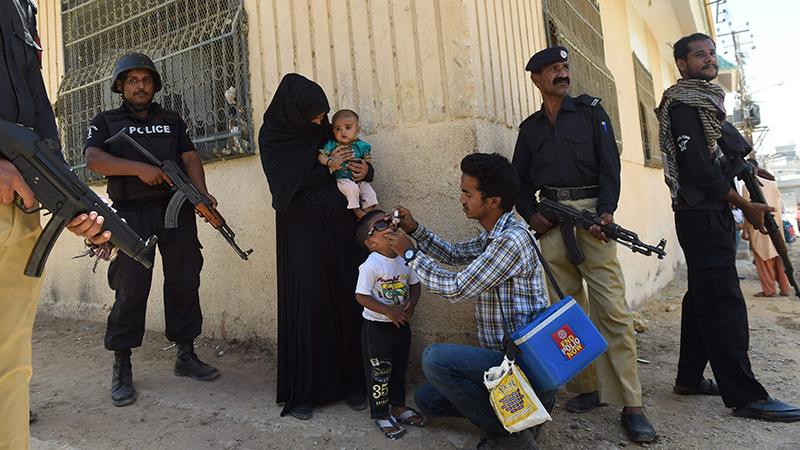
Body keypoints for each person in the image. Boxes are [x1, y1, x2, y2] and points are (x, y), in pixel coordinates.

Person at [511, 46, 656, 442]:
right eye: (552, 69)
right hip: (552, 223)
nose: (561, 73)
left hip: (592, 219)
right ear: (536, 79)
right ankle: (587, 387)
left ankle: (631, 403)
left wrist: (606, 212)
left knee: (612, 310)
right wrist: (531, 213)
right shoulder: (531, 129)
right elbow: (518, 182)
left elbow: (610, 166)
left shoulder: (592, 112)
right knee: (567, 312)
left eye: (564, 67)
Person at [655, 32, 800, 422]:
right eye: (698, 55)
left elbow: (719, 151)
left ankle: (688, 377)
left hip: (708, 211)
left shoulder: (708, 102)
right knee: (724, 303)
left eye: (711, 53)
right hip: (701, 213)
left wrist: (748, 169)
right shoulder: (684, 103)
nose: (708, 59)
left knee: (703, 295)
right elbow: (699, 169)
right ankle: (747, 396)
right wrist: (744, 205)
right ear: (682, 64)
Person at [385, 153, 553, 450]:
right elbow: (452, 253)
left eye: (467, 193)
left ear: (493, 201)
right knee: (428, 400)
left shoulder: (510, 241)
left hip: (522, 369)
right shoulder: (492, 236)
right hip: (502, 367)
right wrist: (414, 229)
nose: (461, 199)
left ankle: (512, 433)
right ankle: (518, 417)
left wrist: (409, 254)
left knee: (434, 359)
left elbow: (455, 288)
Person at [0, 1, 111, 447]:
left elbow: (37, 109)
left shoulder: (23, 7)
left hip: (20, 213)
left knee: (10, 368)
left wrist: (65, 197)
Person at [84, 52, 220, 408]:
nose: (140, 85)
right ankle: (122, 363)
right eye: (132, 80)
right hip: (130, 213)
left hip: (176, 211)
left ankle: (186, 354)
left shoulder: (172, 119)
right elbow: (94, 159)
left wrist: (201, 195)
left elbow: (189, 157)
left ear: (154, 85)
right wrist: (137, 169)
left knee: (185, 280)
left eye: (145, 79)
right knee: (130, 287)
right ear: (120, 86)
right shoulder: (106, 120)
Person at [258, 73, 371, 420]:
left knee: (346, 298)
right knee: (311, 302)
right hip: (302, 230)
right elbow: (285, 184)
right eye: (315, 115)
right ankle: (306, 391)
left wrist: (365, 170)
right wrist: (326, 170)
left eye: (324, 115)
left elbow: (348, 159)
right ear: (294, 111)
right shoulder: (274, 137)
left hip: (339, 229)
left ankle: (353, 383)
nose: (322, 121)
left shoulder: (324, 131)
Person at [354, 210, 425, 439]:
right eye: (382, 224)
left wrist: (411, 306)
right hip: (377, 329)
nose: (391, 224)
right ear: (371, 242)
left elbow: (415, 285)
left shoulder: (405, 258)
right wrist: (388, 311)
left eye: (390, 220)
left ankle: (398, 406)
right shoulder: (371, 265)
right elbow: (361, 296)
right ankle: (381, 413)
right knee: (379, 373)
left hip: (400, 326)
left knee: (399, 369)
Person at [317, 109, 379, 217]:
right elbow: (321, 155)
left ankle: (369, 210)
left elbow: (367, 159)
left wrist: (365, 169)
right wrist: (329, 162)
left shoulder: (361, 145)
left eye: (348, 128)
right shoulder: (332, 144)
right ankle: (357, 211)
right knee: (352, 189)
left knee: (368, 191)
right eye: (338, 129)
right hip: (342, 179)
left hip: (357, 179)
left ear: (357, 130)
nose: (343, 132)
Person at [741, 169, 791, 297]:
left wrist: (745, 229)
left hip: (759, 226)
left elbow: (748, 209)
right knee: (779, 257)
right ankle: (785, 289)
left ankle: (769, 290)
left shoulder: (747, 185)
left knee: (763, 259)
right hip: (775, 226)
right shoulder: (772, 184)